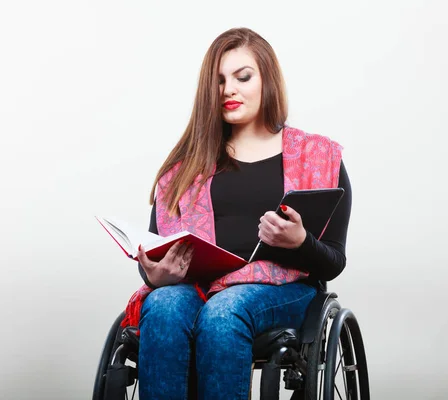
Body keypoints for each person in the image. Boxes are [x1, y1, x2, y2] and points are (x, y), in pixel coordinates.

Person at [122, 27, 352, 400]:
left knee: (224, 312)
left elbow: (333, 261)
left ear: (267, 80)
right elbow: (156, 250)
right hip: (199, 287)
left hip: (283, 291)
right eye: (219, 81)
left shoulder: (317, 156)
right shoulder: (186, 168)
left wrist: (301, 242)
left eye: (242, 77)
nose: (229, 89)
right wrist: (156, 273)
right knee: (163, 305)